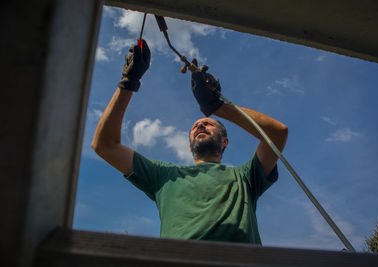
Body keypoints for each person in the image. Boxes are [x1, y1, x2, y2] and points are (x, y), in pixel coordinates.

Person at [92, 40, 288, 244]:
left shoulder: (246, 178)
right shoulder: (164, 176)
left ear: (225, 142)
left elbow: (278, 134)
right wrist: (128, 82)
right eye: (195, 127)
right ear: (189, 145)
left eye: (208, 124)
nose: (200, 126)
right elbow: (104, 146)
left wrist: (217, 107)